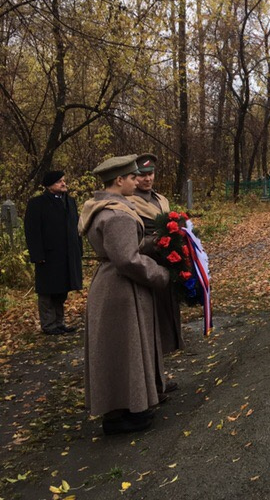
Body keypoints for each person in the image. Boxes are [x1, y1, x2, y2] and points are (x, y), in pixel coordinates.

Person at [79, 155, 170, 435]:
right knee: (124, 350)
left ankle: (124, 409)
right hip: (121, 289)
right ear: (119, 180)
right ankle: (124, 415)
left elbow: (125, 246)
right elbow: (127, 259)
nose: (137, 181)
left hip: (111, 285)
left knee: (118, 350)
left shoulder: (103, 207)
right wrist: (161, 274)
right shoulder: (116, 214)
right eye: (132, 177)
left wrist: (155, 242)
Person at [127, 153, 183, 397]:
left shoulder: (161, 199)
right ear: (133, 177)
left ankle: (158, 377)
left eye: (150, 174)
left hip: (166, 268)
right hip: (147, 269)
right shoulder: (128, 202)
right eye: (141, 175)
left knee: (162, 323)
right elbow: (132, 241)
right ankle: (151, 384)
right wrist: (157, 241)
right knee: (149, 326)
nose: (147, 179)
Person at [24, 171, 83, 335]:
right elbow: (32, 231)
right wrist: (37, 254)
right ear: (49, 186)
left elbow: (76, 228)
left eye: (64, 180)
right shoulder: (37, 203)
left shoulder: (70, 202)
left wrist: (79, 249)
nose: (63, 183)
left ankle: (59, 323)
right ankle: (48, 325)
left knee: (62, 290)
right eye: (59, 182)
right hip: (48, 255)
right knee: (47, 291)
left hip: (67, 254)